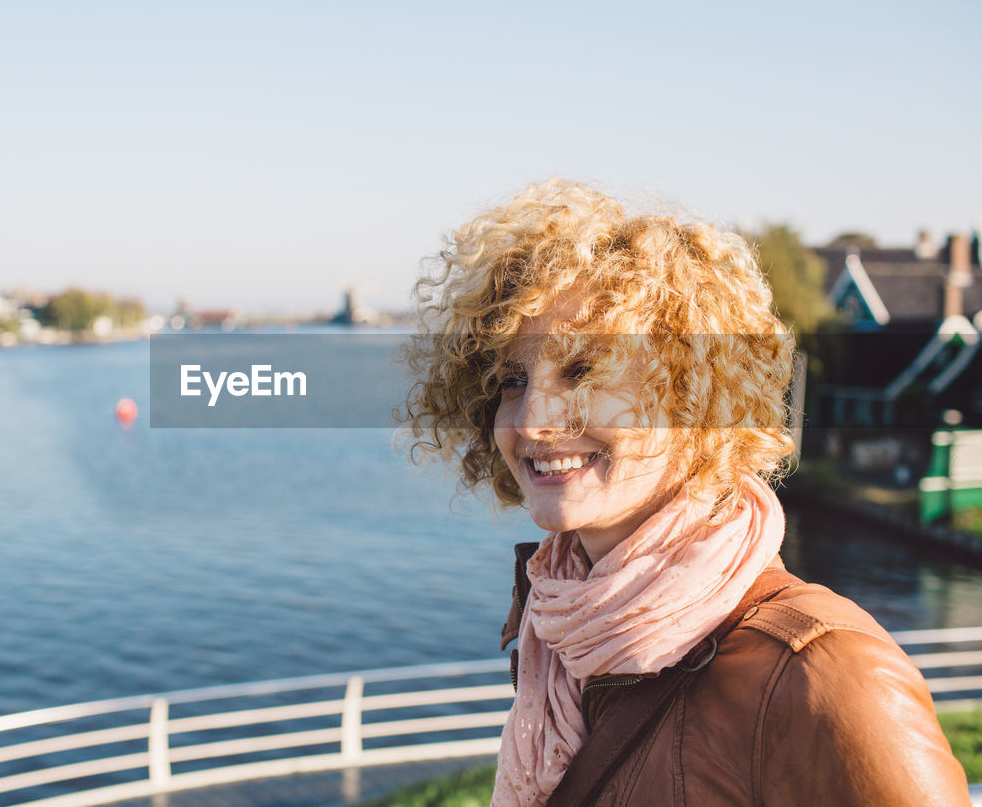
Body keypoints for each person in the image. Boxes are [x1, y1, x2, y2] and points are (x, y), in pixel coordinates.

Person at [399, 179, 970, 806]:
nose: (533, 418)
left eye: (584, 370)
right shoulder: (563, 641)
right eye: (511, 379)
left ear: (692, 396)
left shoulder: (824, 675)